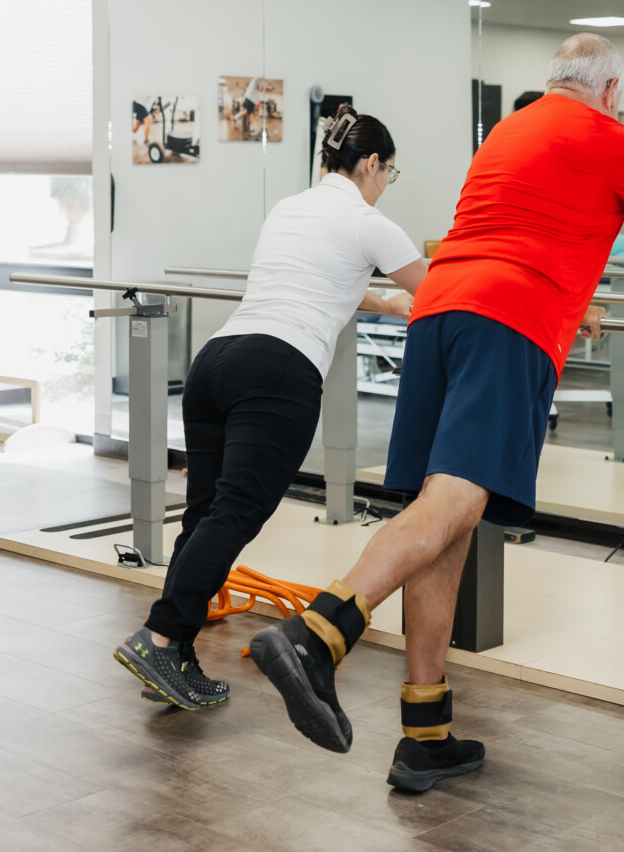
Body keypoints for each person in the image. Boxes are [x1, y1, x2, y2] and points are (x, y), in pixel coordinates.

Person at [248, 34, 624, 792]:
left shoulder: (509, 132)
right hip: (508, 324)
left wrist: (573, 298)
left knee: (443, 522)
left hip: (441, 312)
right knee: (454, 501)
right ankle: (318, 633)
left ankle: (426, 734)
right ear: (611, 91)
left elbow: (522, 227)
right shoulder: (614, 140)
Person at [112, 107, 427, 710]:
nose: (387, 180)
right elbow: (443, 289)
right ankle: (157, 635)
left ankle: (172, 651)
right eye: (389, 170)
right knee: (235, 516)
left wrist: (386, 305)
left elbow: (319, 277)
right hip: (278, 371)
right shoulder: (369, 221)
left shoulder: (290, 207)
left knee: (205, 515)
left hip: (218, 360)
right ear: (369, 164)